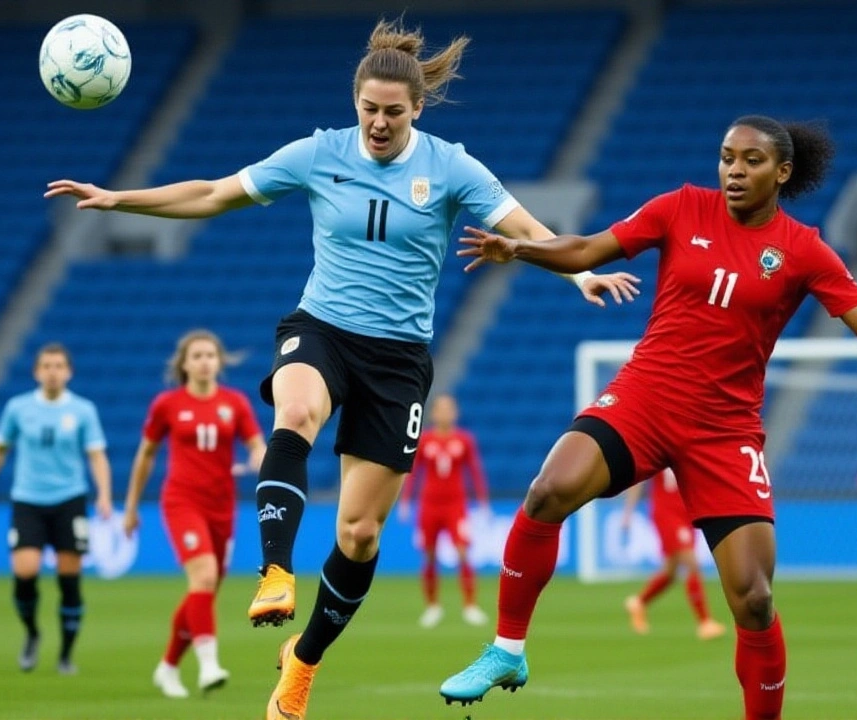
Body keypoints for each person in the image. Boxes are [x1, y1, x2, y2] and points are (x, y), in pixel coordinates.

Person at [44, 18, 639, 719]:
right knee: (294, 412)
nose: (379, 123)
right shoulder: (317, 153)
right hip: (321, 330)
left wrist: (578, 277)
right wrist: (120, 199)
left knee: (359, 535)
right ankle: (274, 571)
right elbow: (212, 193)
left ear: (417, 108)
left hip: (399, 361)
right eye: (369, 109)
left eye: (393, 111)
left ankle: (303, 662)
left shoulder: (451, 167)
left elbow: (528, 230)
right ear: (354, 102)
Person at [439, 115, 857, 720]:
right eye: (726, 157)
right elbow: (588, 248)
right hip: (646, 397)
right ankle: (507, 648)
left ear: (781, 172)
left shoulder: (804, 249)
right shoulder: (680, 207)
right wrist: (521, 248)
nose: (733, 170)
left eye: (750, 161)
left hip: (724, 431)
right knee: (549, 489)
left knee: (753, 597)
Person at [123, 330, 266, 698]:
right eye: (197, 356)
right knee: (202, 577)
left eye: (210, 355)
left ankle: (167, 668)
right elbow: (147, 455)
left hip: (222, 506)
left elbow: (256, 444)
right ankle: (208, 666)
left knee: (202, 592)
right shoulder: (167, 405)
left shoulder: (234, 403)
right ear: (184, 364)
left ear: (219, 361)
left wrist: (257, 459)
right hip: (182, 501)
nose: (204, 361)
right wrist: (131, 505)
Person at [0, 343, 112, 675]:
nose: (53, 371)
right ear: (36, 372)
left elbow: (96, 455)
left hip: (69, 500)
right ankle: (31, 633)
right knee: (25, 572)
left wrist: (103, 494)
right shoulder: (19, 408)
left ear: (68, 371)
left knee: (68, 578)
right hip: (28, 499)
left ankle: (66, 655)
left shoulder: (83, 410)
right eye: (46, 365)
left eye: (59, 365)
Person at [397, 394, 490, 628]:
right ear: (434, 413)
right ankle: (432, 606)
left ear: (455, 413)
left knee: (462, 552)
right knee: (429, 555)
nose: (445, 413)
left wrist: (482, 501)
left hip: (455, 505)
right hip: (429, 504)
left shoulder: (464, 440)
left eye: (449, 409)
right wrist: (406, 501)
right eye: (441, 409)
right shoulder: (425, 440)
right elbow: (413, 472)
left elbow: (475, 471)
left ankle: (470, 606)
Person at [620, 469, 726, 640]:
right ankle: (705, 622)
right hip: (667, 512)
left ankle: (638, 602)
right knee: (691, 562)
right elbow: (638, 479)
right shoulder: (660, 450)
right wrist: (628, 512)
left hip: (688, 512)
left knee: (671, 571)